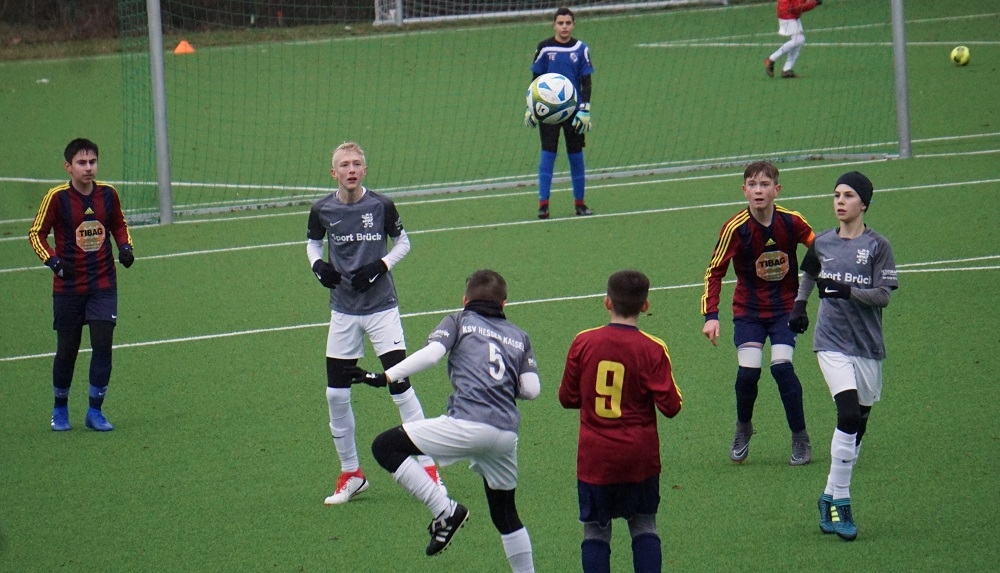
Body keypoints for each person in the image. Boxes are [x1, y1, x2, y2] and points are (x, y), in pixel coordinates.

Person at [347, 270, 540, 571]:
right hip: (505, 435)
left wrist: (385, 376)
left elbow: (432, 355)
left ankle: (445, 510)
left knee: (384, 447)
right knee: (506, 515)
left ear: (465, 300)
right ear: (504, 304)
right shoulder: (520, 337)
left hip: (467, 424)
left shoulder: (458, 320)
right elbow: (531, 390)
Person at [306, 141, 442, 505]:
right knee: (336, 394)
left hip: (382, 310)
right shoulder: (321, 209)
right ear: (333, 173)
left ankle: (429, 468)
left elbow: (403, 243)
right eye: (344, 165)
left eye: (357, 164)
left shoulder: (381, 205)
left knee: (401, 387)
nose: (351, 169)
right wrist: (317, 266)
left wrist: (380, 265)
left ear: (365, 170)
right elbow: (313, 244)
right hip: (343, 311)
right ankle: (351, 474)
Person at [788, 171, 897, 541]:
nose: (840, 201)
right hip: (831, 342)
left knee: (858, 425)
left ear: (863, 203)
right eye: (836, 195)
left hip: (867, 346)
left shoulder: (878, 246)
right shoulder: (822, 242)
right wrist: (800, 306)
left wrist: (846, 291)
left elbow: (883, 296)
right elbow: (808, 273)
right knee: (848, 414)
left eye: (848, 195)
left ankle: (828, 495)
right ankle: (843, 503)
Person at [559, 270, 683, 573]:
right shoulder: (653, 348)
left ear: (607, 302)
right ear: (645, 305)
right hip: (639, 457)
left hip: (595, 458)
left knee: (595, 530)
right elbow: (671, 406)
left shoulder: (583, 342)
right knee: (644, 524)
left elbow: (567, 398)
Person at [700, 160, 815, 465]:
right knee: (748, 373)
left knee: (781, 367)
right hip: (748, 311)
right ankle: (743, 427)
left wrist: (815, 292)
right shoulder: (735, 228)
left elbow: (820, 250)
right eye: (752, 185)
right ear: (744, 190)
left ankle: (800, 437)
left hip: (784, 310)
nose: (758, 190)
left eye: (765, 184)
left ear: (777, 189)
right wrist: (711, 315)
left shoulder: (792, 221)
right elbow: (714, 271)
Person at [28, 138, 134, 432]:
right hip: (69, 289)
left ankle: (95, 411)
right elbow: (36, 233)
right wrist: (54, 262)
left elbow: (119, 224)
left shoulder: (108, 194)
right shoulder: (57, 198)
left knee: (103, 346)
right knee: (67, 351)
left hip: (103, 284)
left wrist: (125, 247)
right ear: (68, 167)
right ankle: (60, 408)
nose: (88, 168)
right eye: (82, 163)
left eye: (92, 162)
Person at [525, 6, 594, 219]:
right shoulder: (544, 48)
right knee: (548, 153)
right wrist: (531, 108)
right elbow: (536, 79)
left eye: (568, 23)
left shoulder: (581, 49)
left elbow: (586, 82)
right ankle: (543, 205)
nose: (564, 27)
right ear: (554, 25)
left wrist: (585, 109)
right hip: (549, 111)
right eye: (560, 23)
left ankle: (580, 204)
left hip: (574, 111)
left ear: (574, 25)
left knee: (576, 155)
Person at [764, 0, 822, 79]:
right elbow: (798, 7)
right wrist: (814, 3)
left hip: (791, 14)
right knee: (799, 39)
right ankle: (771, 59)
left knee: (798, 42)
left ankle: (787, 70)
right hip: (787, 14)